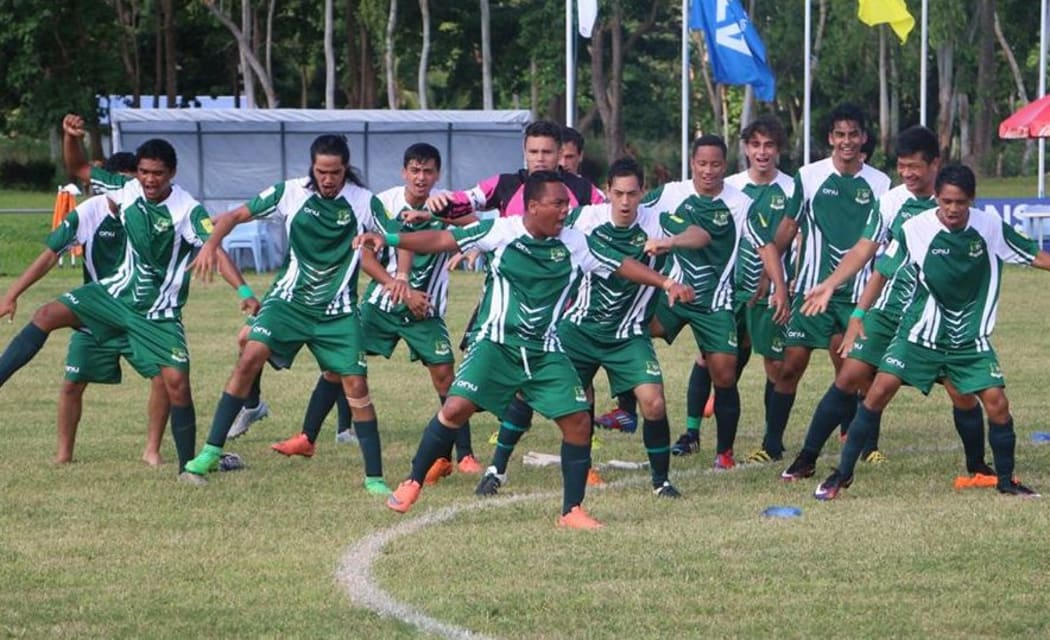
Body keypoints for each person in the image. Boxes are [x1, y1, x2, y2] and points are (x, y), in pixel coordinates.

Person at [356, 171, 694, 529]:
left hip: (545, 350)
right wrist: (389, 237)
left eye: (567, 203)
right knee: (456, 408)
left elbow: (622, 265)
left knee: (578, 422)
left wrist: (666, 281)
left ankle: (571, 510)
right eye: (558, 203)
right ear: (533, 206)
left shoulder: (576, 242)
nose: (566, 210)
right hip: (496, 345)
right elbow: (443, 238)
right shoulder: (501, 230)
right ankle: (412, 481)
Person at [0, 117, 252, 483]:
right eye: (145, 172)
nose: (150, 180)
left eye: (158, 174)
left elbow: (215, 247)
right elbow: (80, 168)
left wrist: (243, 291)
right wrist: (73, 138)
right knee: (46, 314)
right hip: (114, 294)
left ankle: (186, 468)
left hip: (158, 312)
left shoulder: (187, 209)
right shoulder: (125, 188)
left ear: (172, 173)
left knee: (176, 382)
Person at [473, 158, 709, 499]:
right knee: (528, 393)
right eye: (618, 194)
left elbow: (700, 234)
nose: (626, 202)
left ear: (642, 192)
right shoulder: (584, 218)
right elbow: (530, 223)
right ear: (608, 193)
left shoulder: (658, 221)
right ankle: (497, 469)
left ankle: (661, 482)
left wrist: (670, 243)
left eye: (632, 193)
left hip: (628, 335)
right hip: (578, 329)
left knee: (654, 403)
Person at [813, 165, 1047, 500]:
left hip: (969, 338)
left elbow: (1033, 254)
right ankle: (842, 474)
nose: (953, 209)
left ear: (972, 200)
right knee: (879, 390)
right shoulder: (914, 229)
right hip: (920, 334)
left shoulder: (990, 226)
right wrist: (858, 316)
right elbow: (881, 272)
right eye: (947, 201)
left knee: (997, 403)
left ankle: (1007, 481)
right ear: (936, 197)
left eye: (961, 202)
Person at [183, 134, 398, 496]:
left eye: (336, 172)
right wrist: (210, 244)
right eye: (321, 172)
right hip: (288, 302)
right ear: (312, 168)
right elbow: (235, 215)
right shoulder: (290, 192)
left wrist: (383, 242)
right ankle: (209, 453)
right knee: (249, 355)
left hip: (337, 311)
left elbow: (397, 233)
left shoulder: (364, 202)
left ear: (347, 169)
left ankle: (374, 478)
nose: (328, 179)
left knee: (357, 387)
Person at [782, 127, 996, 485]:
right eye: (902, 166)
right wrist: (834, 286)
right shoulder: (892, 201)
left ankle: (978, 466)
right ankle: (807, 458)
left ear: (935, 164)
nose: (908, 174)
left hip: (936, 316)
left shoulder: (955, 204)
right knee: (849, 376)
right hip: (888, 311)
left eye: (915, 167)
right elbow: (865, 249)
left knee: (961, 391)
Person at [645, 135, 788, 469]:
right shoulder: (670, 194)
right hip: (674, 294)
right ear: (692, 163)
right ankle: (627, 405)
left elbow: (766, 245)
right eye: (702, 164)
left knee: (724, 374)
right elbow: (631, 210)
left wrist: (779, 287)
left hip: (715, 301)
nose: (708, 171)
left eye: (716, 164)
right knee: (632, 331)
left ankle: (724, 453)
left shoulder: (740, 203)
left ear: (726, 166)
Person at [760, 103, 891, 462]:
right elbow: (788, 226)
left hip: (858, 294)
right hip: (811, 292)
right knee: (790, 367)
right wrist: (773, 277)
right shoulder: (809, 176)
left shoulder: (881, 184)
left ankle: (867, 445)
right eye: (839, 135)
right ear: (830, 138)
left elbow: (882, 243)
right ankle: (771, 444)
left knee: (856, 371)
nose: (846, 142)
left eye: (853, 134)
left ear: (863, 137)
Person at [722, 115, 799, 464]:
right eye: (755, 145)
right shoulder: (730, 187)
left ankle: (772, 442)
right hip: (731, 291)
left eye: (769, 145)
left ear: (778, 149)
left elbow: (802, 236)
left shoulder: (793, 188)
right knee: (718, 363)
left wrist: (790, 279)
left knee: (775, 364)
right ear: (746, 148)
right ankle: (692, 434)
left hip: (773, 292)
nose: (762, 152)